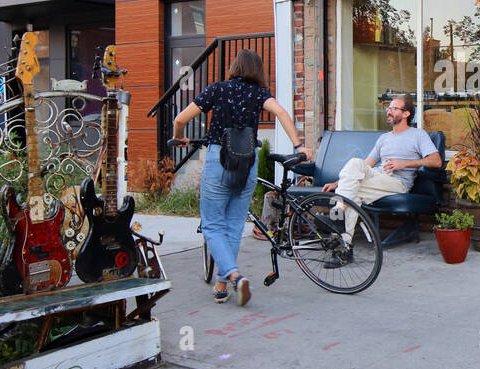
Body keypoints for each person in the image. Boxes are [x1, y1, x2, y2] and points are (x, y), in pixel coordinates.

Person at [171, 50, 310, 306]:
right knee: (234, 226)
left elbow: (181, 118)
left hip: (218, 159)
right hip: (247, 162)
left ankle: (235, 276)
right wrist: (299, 146)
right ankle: (221, 285)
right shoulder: (259, 94)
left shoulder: (217, 89)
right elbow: (281, 113)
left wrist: (180, 137)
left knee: (213, 224)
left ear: (235, 67)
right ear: (258, 71)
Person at [322, 93, 441, 265]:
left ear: (406, 113)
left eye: (393, 108)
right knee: (355, 173)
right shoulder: (384, 138)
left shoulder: (418, 135)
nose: (388, 111)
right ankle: (343, 245)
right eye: (388, 108)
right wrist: (337, 183)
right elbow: (366, 165)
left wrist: (404, 164)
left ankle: (339, 229)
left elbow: (436, 161)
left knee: (353, 193)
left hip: (398, 183)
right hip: (377, 177)